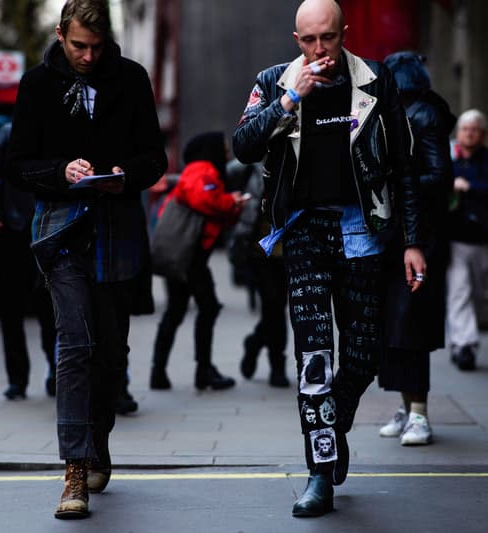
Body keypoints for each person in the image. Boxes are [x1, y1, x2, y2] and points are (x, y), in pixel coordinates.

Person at [232, 0, 425, 518]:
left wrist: (411, 240)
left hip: (363, 228)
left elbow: (404, 166)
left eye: (329, 39)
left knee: (363, 353)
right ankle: (319, 473)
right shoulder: (274, 80)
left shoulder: (376, 81)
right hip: (304, 232)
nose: (320, 51)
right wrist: (290, 99)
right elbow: (244, 145)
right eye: (309, 40)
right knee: (314, 361)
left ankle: (332, 428)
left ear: (345, 33)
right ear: (297, 39)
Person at [7, 0, 167, 520]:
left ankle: (98, 443)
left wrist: (126, 173)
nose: (88, 56)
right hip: (61, 230)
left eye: (96, 47)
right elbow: (17, 165)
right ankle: (73, 469)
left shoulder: (132, 78)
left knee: (109, 353)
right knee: (74, 346)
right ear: (60, 35)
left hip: (116, 228)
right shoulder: (37, 85)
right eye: (78, 46)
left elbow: (155, 159)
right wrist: (61, 171)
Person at [377, 52, 456, 446]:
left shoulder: (423, 114)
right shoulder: (409, 111)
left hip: (417, 240)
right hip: (399, 237)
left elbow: (439, 175)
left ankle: (419, 413)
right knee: (395, 326)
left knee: (410, 325)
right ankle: (407, 408)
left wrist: (394, 181)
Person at [149, 132, 245, 391]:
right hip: (189, 257)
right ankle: (202, 370)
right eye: (224, 146)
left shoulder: (203, 170)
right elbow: (201, 198)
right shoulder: (201, 170)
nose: (227, 151)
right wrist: (229, 201)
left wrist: (231, 206)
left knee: (179, 311)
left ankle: (161, 371)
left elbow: (212, 213)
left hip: (189, 255)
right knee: (206, 308)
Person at [0, 122, 58, 401]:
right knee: (10, 309)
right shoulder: (6, 131)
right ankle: (17, 378)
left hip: (45, 226)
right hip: (11, 228)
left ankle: (55, 369)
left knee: (49, 305)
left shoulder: (53, 127)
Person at [446, 109, 488, 370]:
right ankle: (465, 346)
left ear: (483, 134)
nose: (469, 134)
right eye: (465, 129)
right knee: (459, 291)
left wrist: (470, 187)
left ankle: (461, 341)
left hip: (484, 239)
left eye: (474, 130)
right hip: (455, 239)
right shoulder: (449, 160)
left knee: (475, 292)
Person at [227, 159, 290, 388]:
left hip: (291, 250)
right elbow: (231, 169)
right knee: (273, 306)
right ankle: (277, 366)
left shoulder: (297, 159)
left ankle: (254, 342)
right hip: (259, 250)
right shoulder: (255, 164)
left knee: (276, 308)